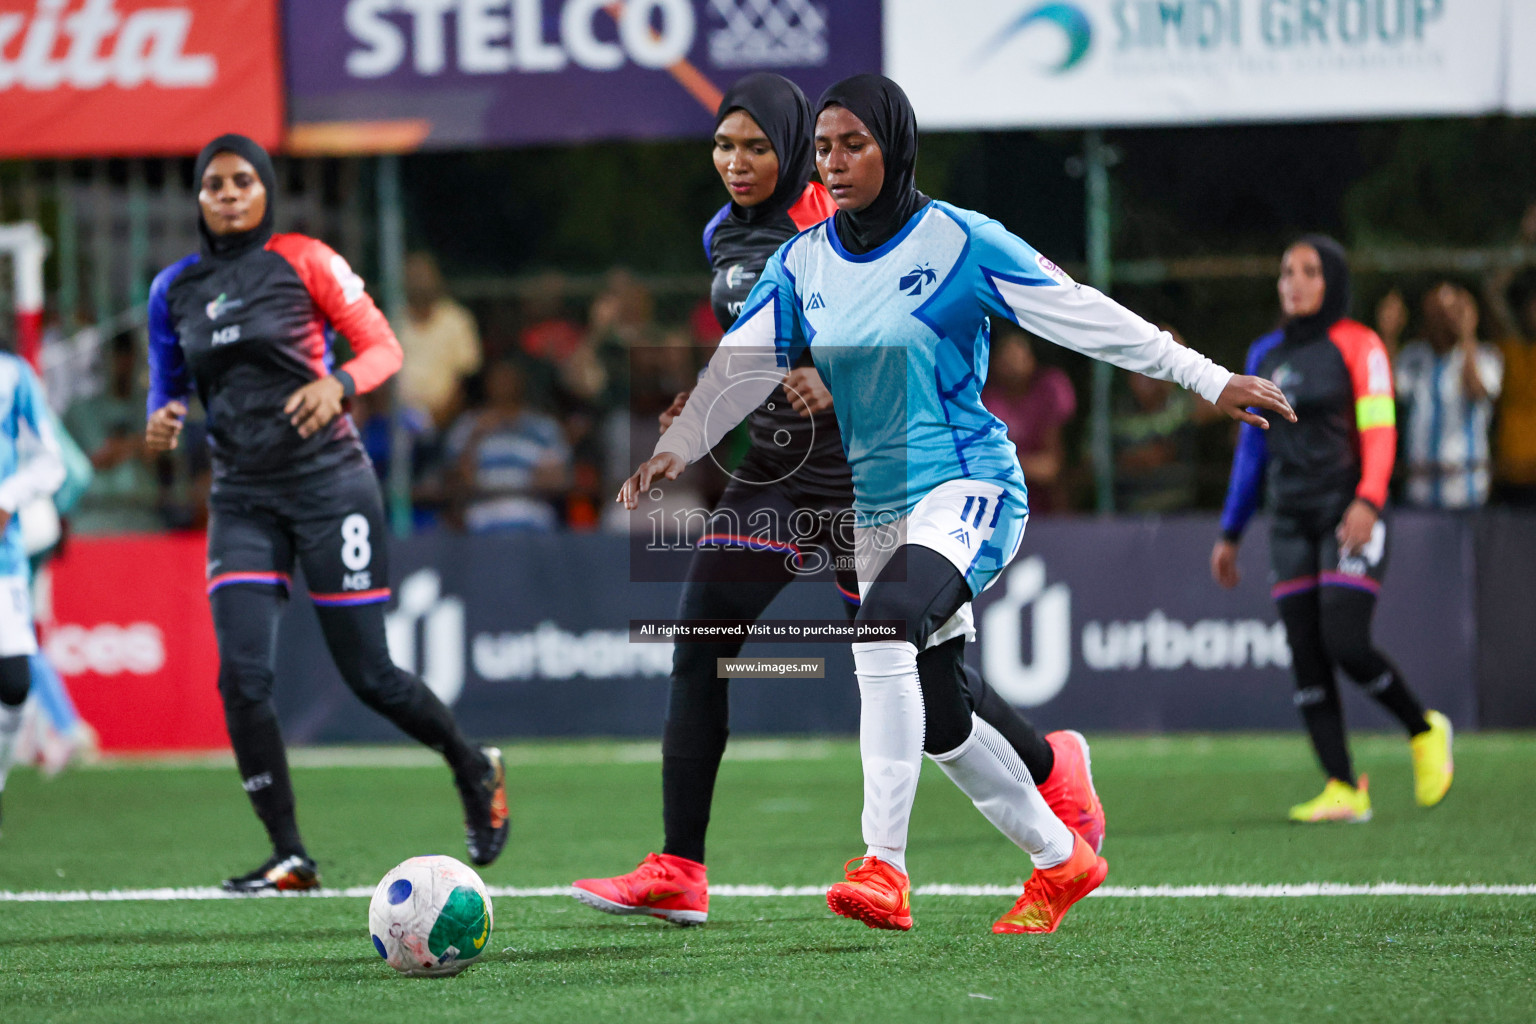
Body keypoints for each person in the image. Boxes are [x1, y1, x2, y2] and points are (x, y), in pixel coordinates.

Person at [615, 75, 1288, 935]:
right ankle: (1060, 860)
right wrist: (676, 447)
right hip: (877, 509)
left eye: (853, 144)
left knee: (881, 626)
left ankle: (883, 869)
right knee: (941, 720)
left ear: (896, 147)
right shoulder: (802, 263)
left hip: (968, 487)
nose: (835, 161)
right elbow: (740, 369)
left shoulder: (962, 242)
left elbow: (1081, 313)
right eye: (824, 148)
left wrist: (1207, 377)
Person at [573, 73, 1105, 930]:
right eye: (722, 146)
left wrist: (829, 370)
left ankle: (1050, 770)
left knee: (933, 685)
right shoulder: (726, 233)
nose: (737, 164)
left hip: (869, 469)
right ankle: (680, 865)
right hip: (779, 474)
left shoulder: (829, 212)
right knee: (703, 632)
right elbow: (760, 338)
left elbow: (866, 306)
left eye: (757, 146)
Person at [144, 134, 509, 892]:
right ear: (199, 196)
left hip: (329, 485)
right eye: (215, 183)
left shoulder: (304, 259)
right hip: (241, 497)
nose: (231, 193)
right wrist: (165, 415)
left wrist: (338, 382)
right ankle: (289, 854)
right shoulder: (172, 289)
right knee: (241, 680)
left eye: (245, 180)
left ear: (265, 188)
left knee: (370, 674)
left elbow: (383, 347)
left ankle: (473, 767)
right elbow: (167, 382)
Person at [1213, 236, 1453, 824]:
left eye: (1308, 271)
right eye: (1285, 270)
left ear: (1333, 282)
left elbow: (1380, 428)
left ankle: (1423, 729)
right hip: (1290, 520)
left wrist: (1369, 500)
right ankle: (1344, 787)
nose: (1293, 281)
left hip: (1348, 514)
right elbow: (1252, 451)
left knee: (1344, 639)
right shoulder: (1265, 353)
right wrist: (1231, 530)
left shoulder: (1358, 343)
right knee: (1305, 653)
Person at [0, 350, 66, 835]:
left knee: (14, 682)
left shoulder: (11, 374)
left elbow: (51, 462)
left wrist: (7, 497)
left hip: (3, 557)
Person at [1394, 283, 1503, 509]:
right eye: (1437, 312)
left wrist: (1467, 335)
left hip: (1467, 491)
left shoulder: (1486, 356)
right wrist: (1390, 333)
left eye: (1452, 311)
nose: (1445, 319)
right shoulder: (1413, 356)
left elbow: (1477, 390)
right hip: (1420, 490)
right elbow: (1390, 392)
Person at [444, 359, 570, 532]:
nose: (504, 384)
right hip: (483, 509)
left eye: (509, 379)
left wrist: (522, 487)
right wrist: (475, 438)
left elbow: (557, 479)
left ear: (521, 382)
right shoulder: (468, 426)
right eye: (498, 379)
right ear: (487, 384)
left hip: (531, 508)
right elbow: (457, 479)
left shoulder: (543, 428)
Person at [981, 326, 1075, 514]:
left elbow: (1051, 467)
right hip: (1000, 508)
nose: (1013, 364)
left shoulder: (1051, 387)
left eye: (1019, 356)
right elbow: (983, 464)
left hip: (1049, 511)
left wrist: (1005, 464)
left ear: (1032, 357)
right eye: (1007, 357)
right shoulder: (985, 399)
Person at [394, 252, 483, 427]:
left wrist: (440, 417)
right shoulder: (391, 320)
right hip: (397, 419)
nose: (419, 282)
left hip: (448, 417)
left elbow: (466, 380)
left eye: (424, 276)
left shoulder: (457, 320)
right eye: (413, 276)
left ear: (437, 279)